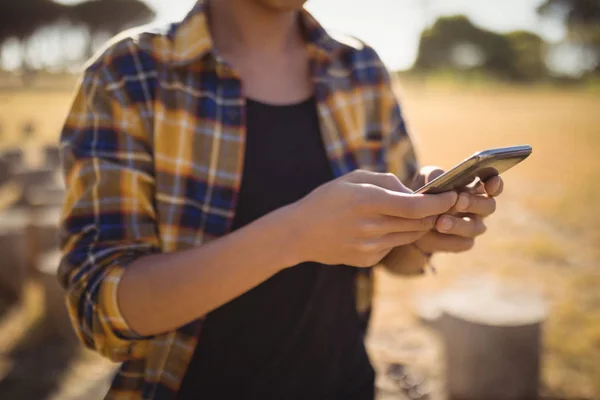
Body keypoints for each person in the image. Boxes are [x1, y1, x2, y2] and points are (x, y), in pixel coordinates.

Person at [57, 0, 503, 399]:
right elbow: (101, 309)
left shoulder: (360, 69)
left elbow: (396, 258)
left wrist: (425, 227)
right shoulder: (130, 74)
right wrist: (292, 235)